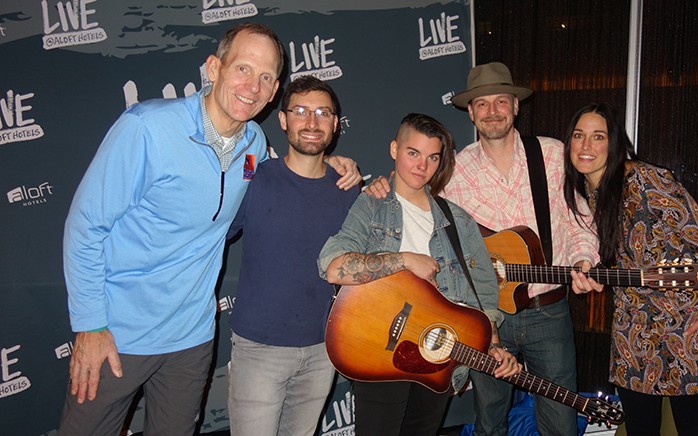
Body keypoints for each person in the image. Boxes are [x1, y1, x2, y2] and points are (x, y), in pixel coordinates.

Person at [60, 23, 360, 436]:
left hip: (191, 339)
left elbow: (296, 174)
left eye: (266, 77)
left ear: (274, 93)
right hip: (118, 334)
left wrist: (342, 165)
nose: (251, 86)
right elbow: (86, 226)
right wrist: (90, 325)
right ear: (214, 68)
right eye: (242, 69)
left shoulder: (253, 145)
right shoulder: (147, 128)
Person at [368, 62, 602, 435]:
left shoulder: (551, 154)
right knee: (490, 419)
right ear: (471, 111)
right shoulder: (454, 170)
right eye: (482, 103)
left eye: (500, 101)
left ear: (515, 105)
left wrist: (584, 259)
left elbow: (579, 221)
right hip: (487, 318)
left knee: (560, 421)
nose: (492, 110)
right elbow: (415, 205)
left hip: (548, 311)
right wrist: (381, 186)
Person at [318, 113, 523, 436]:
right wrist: (404, 260)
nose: (421, 166)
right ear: (394, 149)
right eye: (413, 153)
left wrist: (493, 342)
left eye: (432, 157)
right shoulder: (371, 205)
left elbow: (482, 289)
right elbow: (333, 267)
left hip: (439, 355)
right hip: (379, 351)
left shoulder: (457, 219)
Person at [563, 102, 698, 435]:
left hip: (687, 324)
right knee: (640, 429)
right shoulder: (587, 194)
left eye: (598, 137)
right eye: (579, 136)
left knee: (694, 428)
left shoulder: (646, 179)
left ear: (614, 143)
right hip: (633, 329)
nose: (585, 146)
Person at [225, 76, 359, 436]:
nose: (311, 122)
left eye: (322, 113)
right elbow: (213, 229)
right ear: (283, 120)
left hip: (322, 349)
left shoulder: (348, 188)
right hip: (259, 349)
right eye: (300, 111)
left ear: (334, 123)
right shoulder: (254, 178)